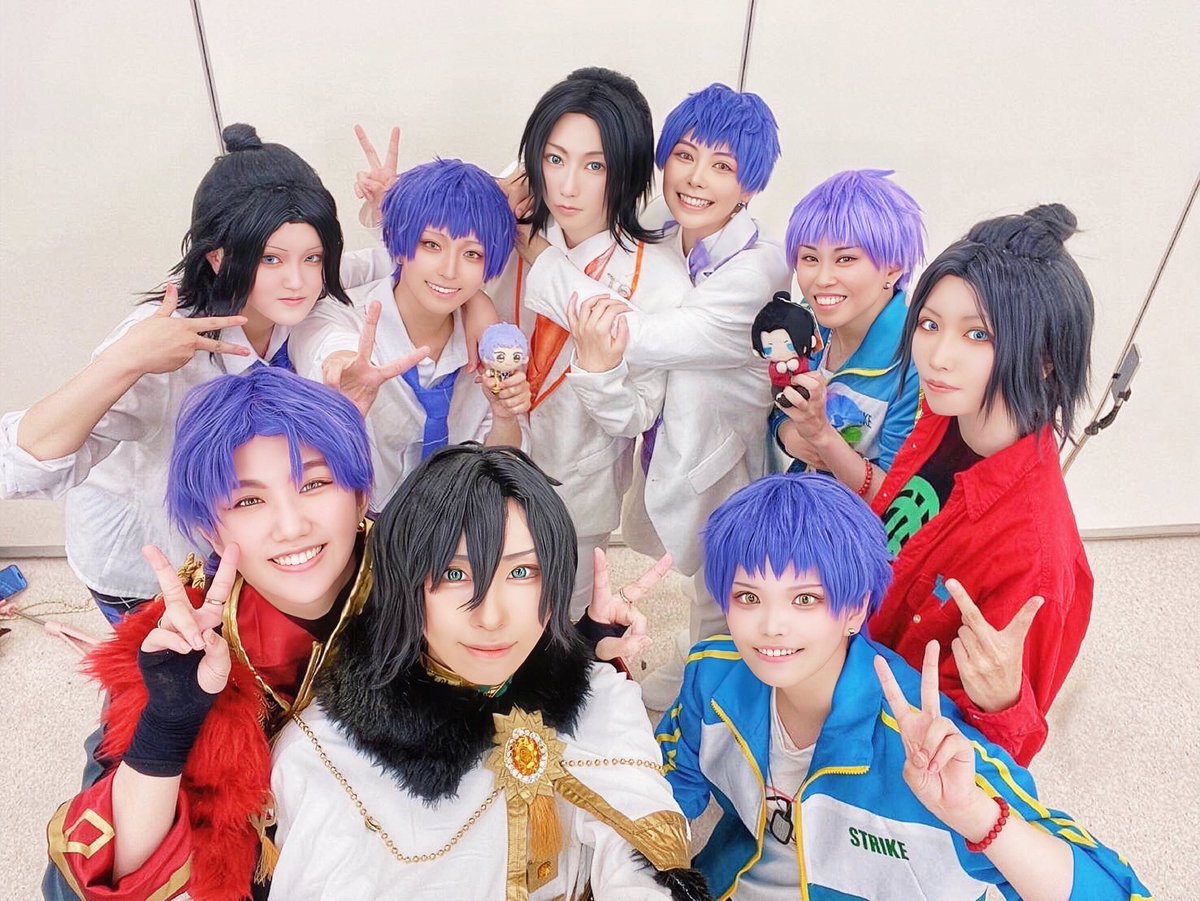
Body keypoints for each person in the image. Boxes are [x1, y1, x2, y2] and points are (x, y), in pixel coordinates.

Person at [657, 474, 1150, 900]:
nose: (770, 626)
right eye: (748, 597)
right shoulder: (713, 674)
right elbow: (666, 789)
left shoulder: (921, 739)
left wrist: (973, 814)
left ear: (855, 609)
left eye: (805, 599)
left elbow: (1112, 891)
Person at [269, 444, 709, 900]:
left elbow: (642, 856)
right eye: (454, 575)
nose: (492, 617)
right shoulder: (323, 752)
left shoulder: (598, 695)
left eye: (522, 572)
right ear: (404, 584)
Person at [44, 366, 374, 900]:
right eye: (248, 500)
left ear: (360, 498)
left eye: (314, 484)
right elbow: (78, 884)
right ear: (210, 531)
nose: (292, 526)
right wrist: (168, 724)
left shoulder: (436, 599)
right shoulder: (175, 645)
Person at [1, 124, 354, 623]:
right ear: (218, 257)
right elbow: (19, 466)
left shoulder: (299, 310)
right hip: (147, 570)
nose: (297, 280)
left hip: (242, 550)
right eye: (270, 258)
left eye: (312, 257)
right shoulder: (161, 343)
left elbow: (344, 309)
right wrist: (125, 361)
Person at [519, 83, 791, 706]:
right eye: (685, 156)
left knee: (728, 594)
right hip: (669, 449)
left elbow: (640, 332)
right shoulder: (667, 238)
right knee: (710, 595)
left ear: (749, 187)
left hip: (726, 461)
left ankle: (706, 712)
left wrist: (537, 256)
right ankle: (682, 692)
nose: (696, 178)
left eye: (722, 166)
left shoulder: (758, 271)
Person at [870, 204, 1095, 764]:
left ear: (1044, 360)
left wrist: (1002, 702)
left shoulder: (1034, 559)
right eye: (930, 324)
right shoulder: (945, 412)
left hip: (894, 754)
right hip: (850, 669)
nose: (938, 357)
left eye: (977, 335)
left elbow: (1002, 762)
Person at [491, 66, 694, 618]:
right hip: (490, 462)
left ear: (626, 169)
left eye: (594, 165)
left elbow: (637, 416)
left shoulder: (661, 281)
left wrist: (601, 374)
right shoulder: (509, 230)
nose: (567, 185)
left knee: (560, 625)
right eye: (554, 159)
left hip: (579, 499)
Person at [288, 158, 530, 512]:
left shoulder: (492, 346)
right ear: (400, 246)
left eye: (472, 253)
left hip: (455, 524)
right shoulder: (346, 317)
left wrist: (505, 416)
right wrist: (341, 367)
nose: (449, 270)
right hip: (360, 526)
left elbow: (499, 466)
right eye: (431, 245)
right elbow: (325, 344)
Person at [772, 169, 925, 502]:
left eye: (845, 259)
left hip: (864, 529)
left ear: (893, 268)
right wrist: (788, 433)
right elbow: (775, 404)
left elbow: (896, 500)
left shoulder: (916, 359)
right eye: (810, 258)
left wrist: (822, 438)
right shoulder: (803, 321)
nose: (822, 278)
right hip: (803, 505)